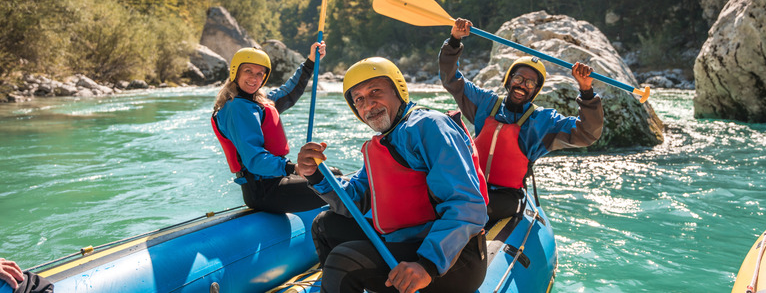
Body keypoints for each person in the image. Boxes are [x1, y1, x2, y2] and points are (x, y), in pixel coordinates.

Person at [297, 57, 489, 293]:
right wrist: (315, 175)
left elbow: (466, 204)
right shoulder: (386, 140)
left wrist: (426, 266)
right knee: (325, 225)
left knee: (343, 261)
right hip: (404, 241)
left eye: (375, 91)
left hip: (453, 257)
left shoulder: (430, 126)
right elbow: (354, 201)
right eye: (359, 99)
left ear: (398, 91)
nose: (368, 105)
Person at [439, 18, 604, 222]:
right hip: (472, 184)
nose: (522, 85)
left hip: (505, 196)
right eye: (518, 79)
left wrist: (586, 92)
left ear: (535, 91)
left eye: (530, 83)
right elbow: (451, 79)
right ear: (509, 81)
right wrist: (454, 40)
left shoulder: (542, 121)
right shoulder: (486, 103)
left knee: (471, 209)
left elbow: (587, 133)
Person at [211, 42, 332, 213]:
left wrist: (311, 61)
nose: (254, 78)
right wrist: (294, 167)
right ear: (235, 72)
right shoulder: (236, 108)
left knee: (330, 175)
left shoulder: (256, 102)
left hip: (275, 181)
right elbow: (254, 159)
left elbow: (289, 92)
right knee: (332, 180)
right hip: (264, 190)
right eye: (248, 71)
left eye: (259, 74)